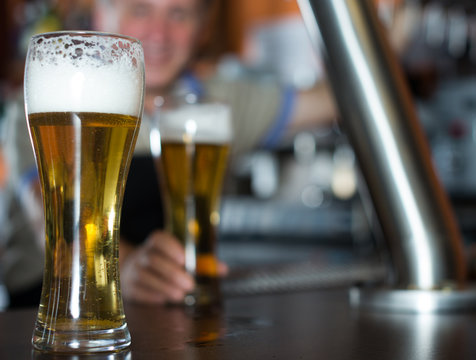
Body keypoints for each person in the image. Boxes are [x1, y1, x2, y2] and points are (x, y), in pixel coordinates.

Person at [1, 0, 336, 307]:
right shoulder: (52, 99)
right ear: (103, 16)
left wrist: (382, 32)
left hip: (172, 308)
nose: (159, 33)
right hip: (45, 307)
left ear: (203, 27)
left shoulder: (216, 104)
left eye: (179, 14)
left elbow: (333, 101)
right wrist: (125, 267)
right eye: (141, 10)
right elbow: (47, 214)